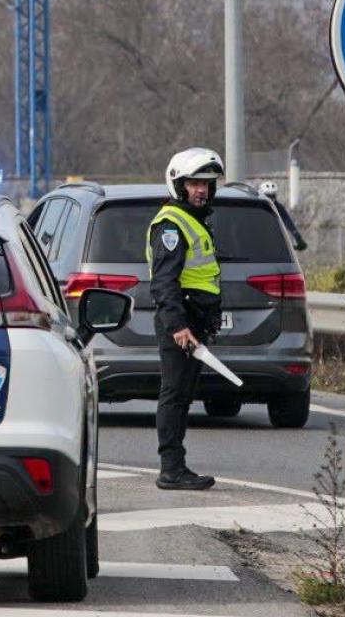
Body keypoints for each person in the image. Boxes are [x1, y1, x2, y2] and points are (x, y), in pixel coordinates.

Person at [146, 147, 226, 491]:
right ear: (179, 185)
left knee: (182, 395)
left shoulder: (193, 220)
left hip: (193, 321)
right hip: (181, 324)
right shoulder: (171, 225)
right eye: (195, 183)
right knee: (175, 395)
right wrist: (179, 326)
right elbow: (164, 282)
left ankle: (176, 467)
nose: (202, 190)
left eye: (207, 184)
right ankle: (171, 470)